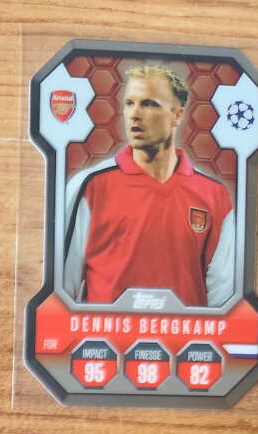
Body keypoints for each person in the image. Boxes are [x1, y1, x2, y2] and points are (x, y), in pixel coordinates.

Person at [63, 63, 234, 307]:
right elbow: (61, 291)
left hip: (184, 333)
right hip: (109, 332)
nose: (134, 114)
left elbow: (223, 297)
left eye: (149, 104)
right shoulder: (88, 186)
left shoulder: (215, 195)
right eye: (129, 103)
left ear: (177, 115)